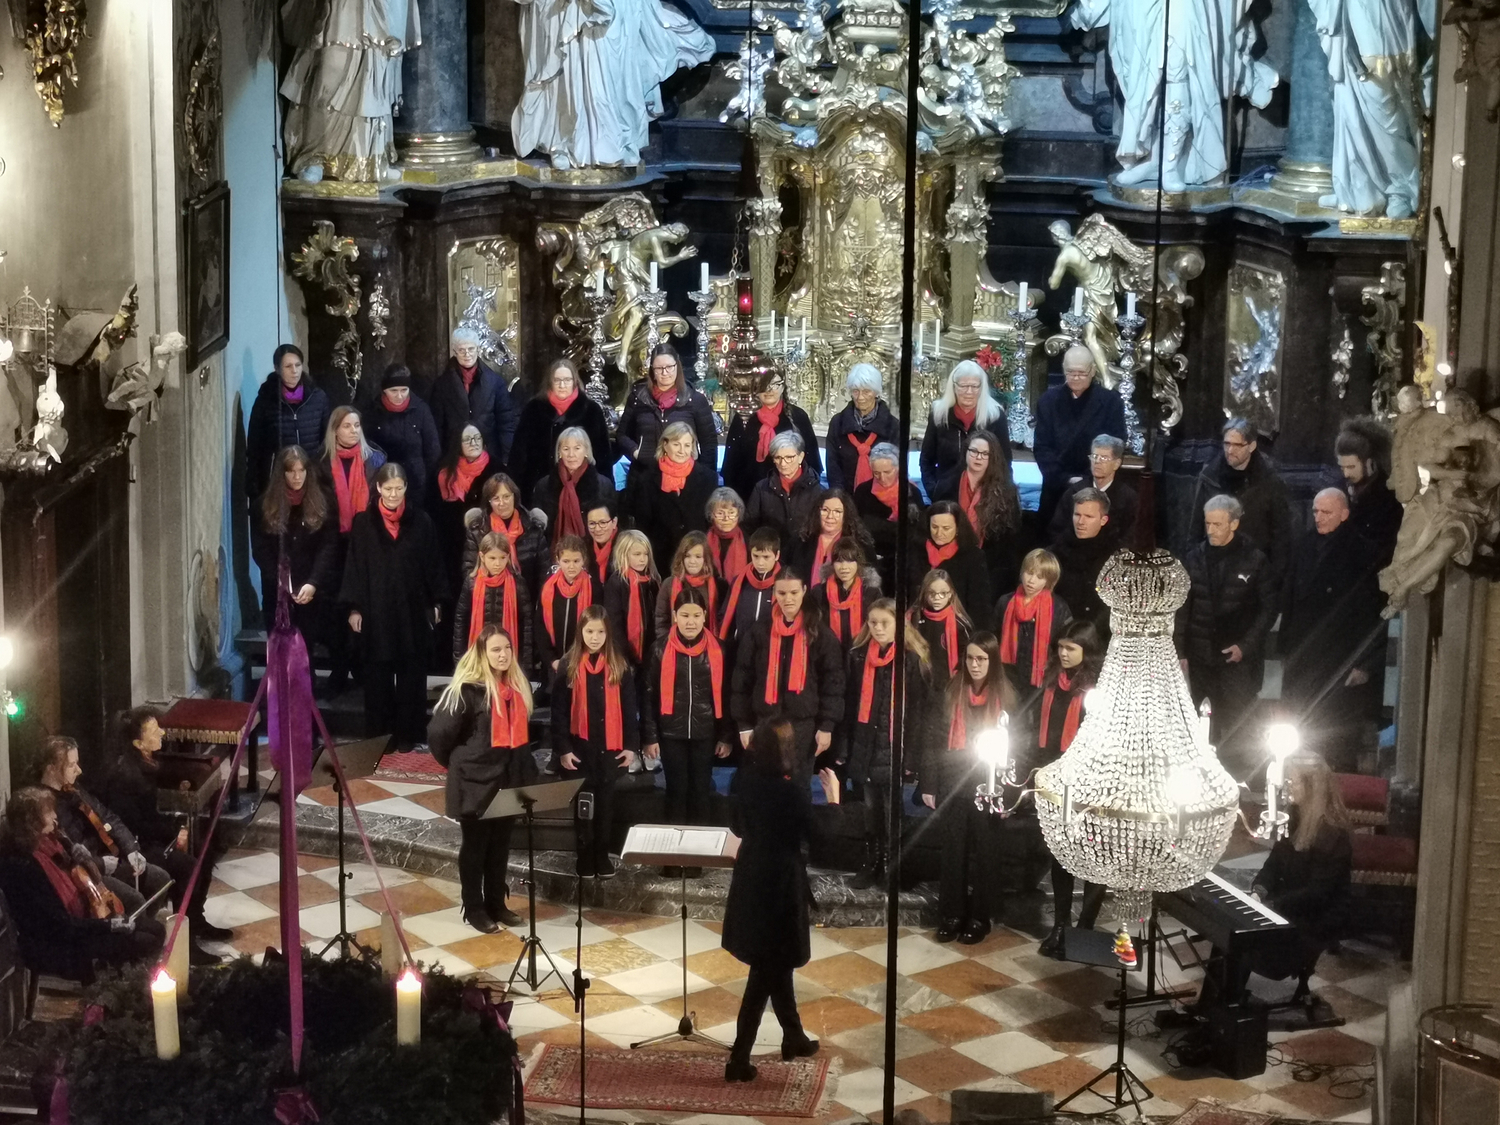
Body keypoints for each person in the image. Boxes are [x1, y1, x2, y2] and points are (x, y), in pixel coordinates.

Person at [37, 737, 222, 964]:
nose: (79, 770)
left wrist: (132, 849)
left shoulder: (75, 790)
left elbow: (110, 818)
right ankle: (134, 952)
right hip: (90, 872)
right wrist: (102, 864)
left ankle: (151, 938)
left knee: (160, 878)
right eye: (71, 765)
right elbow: (65, 854)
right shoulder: (45, 808)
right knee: (136, 897)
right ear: (51, 768)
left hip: (110, 858)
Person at [721, 720, 823, 1082]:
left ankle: (794, 1037)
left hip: (751, 876)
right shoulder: (790, 791)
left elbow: (738, 824)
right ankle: (738, 1059)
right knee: (765, 973)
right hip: (779, 885)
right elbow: (820, 836)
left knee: (776, 966)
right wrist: (835, 800)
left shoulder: (743, 781)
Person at [430, 627, 536, 933]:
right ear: (482, 654)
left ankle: (496, 903)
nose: (503, 655)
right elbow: (438, 735)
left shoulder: (516, 688)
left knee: (500, 845)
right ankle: (474, 907)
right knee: (475, 846)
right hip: (474, 780)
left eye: (507, 648)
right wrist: (458, 763)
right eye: (495, 650)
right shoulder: (467, 691)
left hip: (508, 777)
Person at [0, 788, 164, 983]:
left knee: (156, 929)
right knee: (147, 940)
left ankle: (129, 985)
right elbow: (61, 925)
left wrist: (84, 858)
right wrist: (109, 925)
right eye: (48, 812)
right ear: (32, 822)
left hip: (78, 924)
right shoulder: (24, 867)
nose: (54, 816)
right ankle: (121, 990)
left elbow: (77, 877)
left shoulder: (48, 844)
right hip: (59, 945)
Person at [339, 463, 448, 746]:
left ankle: (409, 736)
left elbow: (434, 565)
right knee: (378, 680)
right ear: (378, 488)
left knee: (412, 677)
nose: (393, 494)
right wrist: (354, 608)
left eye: (399, 488)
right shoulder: (364, 524)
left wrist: (436, 602)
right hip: (376, 613)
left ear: (406, 488)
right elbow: (354, 567)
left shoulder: (421, 521)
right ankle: (380, 739)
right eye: (388, 488)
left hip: (413, 612)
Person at [104, 708, 233, 945]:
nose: (162, 733)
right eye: (154, 731)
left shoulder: (146, 763)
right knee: (187, 866)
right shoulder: (124, 778)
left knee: (205, 851)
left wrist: (176, 828)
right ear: (138, 743)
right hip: (136, 847)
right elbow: (136, 825)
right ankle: (186, 940)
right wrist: (174, 833)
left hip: (151, 835)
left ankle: (197, 920)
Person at [1280, 489, 1386, 769]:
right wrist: (1286, 648)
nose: (1319, 517)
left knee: (1337, 736)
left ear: (1344, 514)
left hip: (1342, 658)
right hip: (1304, 656)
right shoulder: (1303, 546)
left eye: (1326, 512)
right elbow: (1290, 598)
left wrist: (1366, 664)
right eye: (1315, 511)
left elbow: (1374, 615)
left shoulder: (1363, 552)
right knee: (1301, 730)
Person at [1246, 754, 1352, 1021]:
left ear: (1312, 787)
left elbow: (1318, 894)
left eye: (1293, 781)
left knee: (1241, 940)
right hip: (1287, 906)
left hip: (1312, 920)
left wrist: (1272, 906)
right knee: (1231, 930)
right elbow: (1273, 864)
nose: (1287, 786)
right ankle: (1221, 1004)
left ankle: (1232, 1007)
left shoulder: (1332, 834)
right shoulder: (1292, 818)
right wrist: (1259, 890)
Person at [1175, 495, 1275, 776]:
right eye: (1207, 524)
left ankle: (1237, 777)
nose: (1211, 530)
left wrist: (1246, 646)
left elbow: (1268, 610)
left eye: (1217, 524)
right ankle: (1202, 775)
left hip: (1237, 658)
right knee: (1201, 718)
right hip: (1200, 655)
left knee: (1238, 720)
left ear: (1234, 523)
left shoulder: (1255, 560)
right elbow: (1182, 607)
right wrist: (1180, 651)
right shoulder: (1193, 558)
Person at [920, 632, 1010, 943]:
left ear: (993, 661)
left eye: (982, 659)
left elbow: (1018, 748)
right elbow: (932, 740)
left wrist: (1009, 794)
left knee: (986, 852)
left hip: (989, 785)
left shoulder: (1006, 697)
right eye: (970, 658)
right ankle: (952, 914)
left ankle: (980, 917)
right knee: (953, 851)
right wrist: (929, 782)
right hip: (954, 780)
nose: (975, 664)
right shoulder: (950, 691)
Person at [844, 600, 930, 890]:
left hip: (895, 748)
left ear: (899, 625)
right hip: (866, 746)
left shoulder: (911, 660)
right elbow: (851, 705)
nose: (878, 628)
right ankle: (873, 863)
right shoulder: (859, 657)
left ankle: (894, 867)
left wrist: (912, 758)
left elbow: (918, 715)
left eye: (885, 623)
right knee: (870, 812)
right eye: (873, 623)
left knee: (893, 814)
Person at [1034, 621, 1108, 957]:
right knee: (1060, 854)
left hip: (1091, 781)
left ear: (1086, 651)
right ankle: (1061, 925)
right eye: (1060, 647)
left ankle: (1085, 929)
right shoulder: (1053, 681)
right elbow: (1043, 731)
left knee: (1094, 856)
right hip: (1057, 777)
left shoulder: (1099, 688)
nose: (1063, 653)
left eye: (1071, 648)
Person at [731, 567, 846, 781]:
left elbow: (833, 684)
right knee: (764, 784)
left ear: (804, 591)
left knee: (798, 786)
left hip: (803, 725)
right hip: (765, 723)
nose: (788, 599)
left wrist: (827, 726)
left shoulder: (820, 634)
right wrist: (743, 725)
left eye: (794, 592)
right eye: (782, 593)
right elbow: (742, 678)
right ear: (774, 593)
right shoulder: (759, 631)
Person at [550, 606, 640, 878]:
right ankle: (585, 856)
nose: (595, 637)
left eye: (600, 632)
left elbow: (629, 709)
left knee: (605, 808)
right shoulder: (568, 665)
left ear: (608, 634)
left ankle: (601, 856)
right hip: (580, 750)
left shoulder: (619, 665)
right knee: (584, 808)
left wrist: (631, 746)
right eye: (589, 631)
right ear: (581, 632)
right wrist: (564, 749)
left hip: (610, 750)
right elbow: (559, 712)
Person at [642, 585, 735, 841]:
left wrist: (726, 736)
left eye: (696, 615)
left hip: (705, 733)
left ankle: (698, 850)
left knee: (701, 792)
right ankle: (674, 850)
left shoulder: (719, 649)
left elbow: (727, 695)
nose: (690, 621)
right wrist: (650, 737)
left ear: (705, 616)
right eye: (684, 615)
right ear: (675, 616)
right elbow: (648, 695)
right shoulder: (659, 649)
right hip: (671, 733)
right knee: (676, 791)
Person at [1188, 418, 1292, 589]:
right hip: (1214, 569)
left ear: (1251, 446)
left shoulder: (1269, 482)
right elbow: (1195, 527)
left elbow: (1281, 535)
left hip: (1253, 574)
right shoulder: (1210, 478)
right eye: (1226, 444)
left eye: (1237, 445)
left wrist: (1273, 579)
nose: (1230, 450)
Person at [251, 446, 338, 646]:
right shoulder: (263, 506)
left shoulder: (323, 502)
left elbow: (328, 545)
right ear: (281, 474)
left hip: (310, 589)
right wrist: (282, 583)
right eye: (291, 471)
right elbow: (260, 549)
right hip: (276, 591)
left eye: (301, 470)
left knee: (306, 650)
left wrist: (313, 582)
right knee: (279, 649)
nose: (297, 477)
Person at [1034, 345, 1128, 526]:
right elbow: (1042, 447)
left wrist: (1088, 480)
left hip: (1097, 487)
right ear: (1063, 369)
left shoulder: (1111, 403)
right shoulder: (1048, 401)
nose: (1075, 378)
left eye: (1081, 373)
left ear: (1092, 371)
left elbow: (1115, 446)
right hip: (1056, 488)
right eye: (1071, 372)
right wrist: (1064, 479)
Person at [509, 358, 613, 504]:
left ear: (574, 381)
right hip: (539, 489)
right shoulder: (533, 409)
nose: (562, 385)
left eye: (567, 380)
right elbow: (518, 455)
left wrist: (606, 495)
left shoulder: (591, 410)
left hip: (583, 489)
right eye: (557, 380)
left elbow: (603, 456)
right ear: (550, 382)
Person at [615, 342, 719, 478]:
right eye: (659, 368)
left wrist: (705, 478)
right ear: (652, 370)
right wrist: (636, 452)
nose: (665, 373)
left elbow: (709, 444)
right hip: (645, 477)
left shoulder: (695, 400)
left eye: (669, 367)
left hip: (685, 479)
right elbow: (622, 435)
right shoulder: (638, 398)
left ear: (677, 366)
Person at [245, 344, 331, 507]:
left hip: (311, 476)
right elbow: (255, 445)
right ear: (277, 369)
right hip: (278, 479)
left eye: (298, 365)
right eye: (288, 366)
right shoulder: (266, 400)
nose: (294, 371)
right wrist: (254, 484)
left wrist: (323, 474)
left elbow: (327, 440)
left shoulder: (317, 397)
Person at [428, 326, 520, 473]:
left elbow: (505, 423)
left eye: (471, 349)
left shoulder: (495, 382)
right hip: (454, 459)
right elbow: (437, 427)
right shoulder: (441, 385)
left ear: (478, 349)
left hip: (489, 456)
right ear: (454, 351)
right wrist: (439, 462)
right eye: (462, 350)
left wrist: (507, 458)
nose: (467, 354)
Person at [624, 421, 718, 566]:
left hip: (695, 557)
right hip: (660, 558)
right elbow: (643, 524)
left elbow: (710, 521)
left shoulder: (708, 478)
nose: (682, 451)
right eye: (676, 444)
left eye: (687, 445)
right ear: (665, 445)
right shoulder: (646, 479)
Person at [920, 361, 1011, 503]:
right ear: (954, 387)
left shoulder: (995, 416)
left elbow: (1005, 461)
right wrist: (935, 491)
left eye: (974, 386)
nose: (969, 392)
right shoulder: (939, 415)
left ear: (981, 387)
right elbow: (926, 460)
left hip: (985, 499)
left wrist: (999, 495)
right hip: (946, 499)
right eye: (963, 386)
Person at [722, 374, 821, 501]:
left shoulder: (797, 417)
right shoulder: (743, 416)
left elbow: (812, 461)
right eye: (764, 384)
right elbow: (731, 464)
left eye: (775, 384)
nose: (769, 390)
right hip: (748, 494)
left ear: (783, 386)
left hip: (793, 497)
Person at [995, 548, 1071, 710]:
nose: (1031, 580)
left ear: (1049, 581)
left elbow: (1064, 646)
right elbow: (995, 638)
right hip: (1009, 678)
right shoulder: (1005, 602)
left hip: (1042, 682)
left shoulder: (1058, 607)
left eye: (1039, 577)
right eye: (1029, 573)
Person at [453, 533, 532, 673]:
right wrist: (459, 659)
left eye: (502, 558)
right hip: (478, 655)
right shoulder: (471, 583)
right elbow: (461, 622)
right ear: (482, 556)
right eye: (492, 558)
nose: (497, 563)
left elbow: (527, 624)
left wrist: (526, 664)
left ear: (508, 557)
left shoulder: (518, 583)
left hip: (509, 657)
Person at [956, 429, 1022, 595]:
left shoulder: (1006, 493)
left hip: (991, 570)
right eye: (974, 451)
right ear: (966, 452)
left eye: (985, 454)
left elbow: (1009, 542)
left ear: (993, 457)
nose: (978, 457)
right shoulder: (948, 485)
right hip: (953, 563)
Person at [434, 425, 499, 591]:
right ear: (458, 444)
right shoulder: (445, 474)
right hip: (455, 547)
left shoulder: (497, 470)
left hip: (488, 543)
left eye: (477, 438)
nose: (473, 443)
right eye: (467, 439)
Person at [364, 363, 441, 505]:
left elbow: (432, 448)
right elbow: (368, 448)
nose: (399, 396)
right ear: (384, 390)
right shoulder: (373, 412)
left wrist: (427, 478)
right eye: (393, 390)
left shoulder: (421, 410)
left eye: (404, 390)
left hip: (416, 483)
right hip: (384, 481)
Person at [530, 428, 617, 554]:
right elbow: (537, 532)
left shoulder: (603, 485)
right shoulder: (544, 485)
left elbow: (612, 527)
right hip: (552, 554)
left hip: (593, 554)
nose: (571, 454)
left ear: (586, 451)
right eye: (566, 449)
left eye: (577, 448)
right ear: (559, 452)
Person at [854, 442, 926, 591]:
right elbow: (856, 528)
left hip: (903, 566)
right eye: (876, 473)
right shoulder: (862, 492)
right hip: (871, 563)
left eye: (887, 472)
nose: (882, 477)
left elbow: (917, 534)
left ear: (898, 468)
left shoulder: (912, 493)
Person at [464, 474, 548, 598]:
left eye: (506, 496)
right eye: (496, 498)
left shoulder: (533, 527)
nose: (502, 503)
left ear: (515, 496)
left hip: (527, 600)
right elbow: (470, 571)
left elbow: (544, 571)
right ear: (489, 501)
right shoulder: (478, 530)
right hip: (489, 601)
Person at [1047, 434, 1139, 545]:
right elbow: (1056, 531)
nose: (1097, 462)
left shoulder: (1128, 498)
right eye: (1094, 456)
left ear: (1116, 464)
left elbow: (1132, 537)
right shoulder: (1074, 492)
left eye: (1104, 458)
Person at [825, 363, 900, 494]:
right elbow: (833, 465)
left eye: (866, 391)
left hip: (882, 497)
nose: (860, 397)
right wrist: (839, 497)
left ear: (876, 392)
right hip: (845, 496)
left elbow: (897, 468)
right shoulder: (837, 423)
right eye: (856, 391)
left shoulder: (893, 426)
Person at [1336, 418, 1401, 566]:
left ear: (1370, 464)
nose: (1345, 474)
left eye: (1351, 467)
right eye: (1342, 467)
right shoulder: (1340, 488)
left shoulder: (1386, 499)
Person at [1050, 488, 1117, 629]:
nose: (1080, 522)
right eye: (1077, 514)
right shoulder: (1054, 554)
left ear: (1103, 520)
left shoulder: (1115, 560)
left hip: (1098, 632)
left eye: (1088, 516)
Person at [921, 501, 993, 630]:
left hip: (958, 628)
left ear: (958, 528)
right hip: (921, 625)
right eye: (934, 527)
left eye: (946, 528)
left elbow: (980, 604)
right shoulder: (917, 551)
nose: (939, 533)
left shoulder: (973, 556)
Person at [321, 405, 388, 537]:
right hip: (332, 534)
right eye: (347, 426)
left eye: (357, 425)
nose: (354, 431)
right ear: (335, 430)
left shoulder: (376, 460)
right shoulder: (321, 463)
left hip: (368, 532)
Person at [536, 535, 595, 678]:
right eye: (566, 561)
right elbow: (540, 625)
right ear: (558, 560)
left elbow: (597, 626)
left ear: (584, 560)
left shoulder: (594, 587)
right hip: (553, 663)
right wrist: (551, 660)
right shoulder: (548, 587)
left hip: (583, 662)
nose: (571, 566)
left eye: (576, 561)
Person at [746, 432, 823, 541]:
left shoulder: (817, 490)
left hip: (806, 549)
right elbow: (749, 526)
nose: (783, 463)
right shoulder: (761, 488)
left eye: (789, 457)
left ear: (800, 457)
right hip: (771, 549)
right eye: (778, 458)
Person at [602, 530, 661, 669]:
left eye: (646, 554)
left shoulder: (653, 581)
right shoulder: (617, 582)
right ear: (624, 554)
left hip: (651, 651)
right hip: (626, 657)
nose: (643, 559)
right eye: (637, 554)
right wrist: (627, 657)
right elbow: (614, 625)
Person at [719, 527, 783, 647]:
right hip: (741, 647)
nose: (760, 563)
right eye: (756, 556)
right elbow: (726, 616)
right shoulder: (740, 581)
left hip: (772, 647)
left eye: (766, 557)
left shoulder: (784, 583)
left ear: (777, 555)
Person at [909, 569, 973, 690]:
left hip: (948, 686)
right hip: (917, 684)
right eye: (931, 593)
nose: (937, 598)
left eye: (943, 593)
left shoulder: (961, 624)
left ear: (950, 594)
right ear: (924, 593)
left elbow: (966, 659)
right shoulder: (913, 617)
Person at [814, 538, 880, 653]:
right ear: (832, 564)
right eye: (839, 561)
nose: (844, 567)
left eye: (849, 561)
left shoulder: (871, 593)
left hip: (862, 655)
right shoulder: (819, 593)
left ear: (858, 563)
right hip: (828, 655)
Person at [655, 532, 725, 638]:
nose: (692, 561)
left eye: (698, 556)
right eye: (688, 556)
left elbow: (723, 620)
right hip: (674, 644)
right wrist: (667, 642)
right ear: (681, 558)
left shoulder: (719, 585)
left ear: (705, 559)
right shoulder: (668, 584)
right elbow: (661, 619)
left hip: (710, 644)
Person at [795, 489, 873, 582]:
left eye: (837, 511)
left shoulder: (860, 545)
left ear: (846, 515)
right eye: (825, 510)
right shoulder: (801, 541)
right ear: (817, 512)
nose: (830, 516)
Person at [706, 488, 750, 585]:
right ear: (711, 515)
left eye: (731, 513)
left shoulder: (748, 541)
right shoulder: (703, 541)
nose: (726, 518)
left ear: (738, 515)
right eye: (720, 513)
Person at [582, 498, 620, 585]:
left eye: (603, 523)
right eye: (592, 524)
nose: (597, 529)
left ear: (614, 522)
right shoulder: (582, 547)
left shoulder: (627, 546)